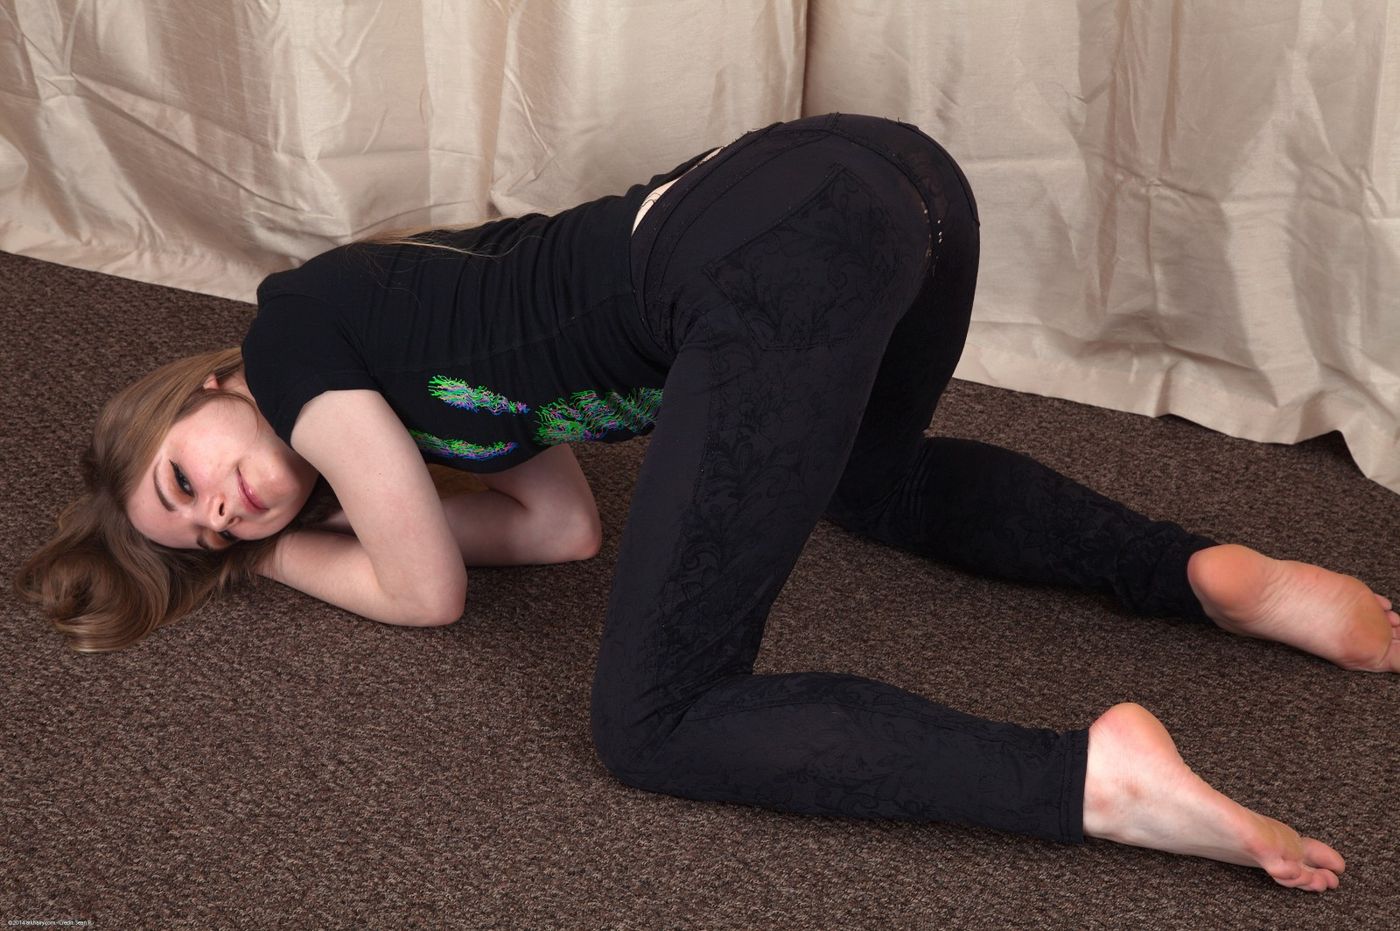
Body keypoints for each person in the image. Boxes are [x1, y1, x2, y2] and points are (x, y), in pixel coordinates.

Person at [17, 113, 1398, 893]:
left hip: (773, 252)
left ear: (207, 385)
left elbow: (425, 592)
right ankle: (1207, 572)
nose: (227, 507)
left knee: (654, 721)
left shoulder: (288, 340)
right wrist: (306, 529)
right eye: (212, 533)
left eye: (185, 476)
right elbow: (560, 531)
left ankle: (1090, 779)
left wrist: (268, 565)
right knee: (868, 477)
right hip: (888, 187)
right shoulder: (408, 400)